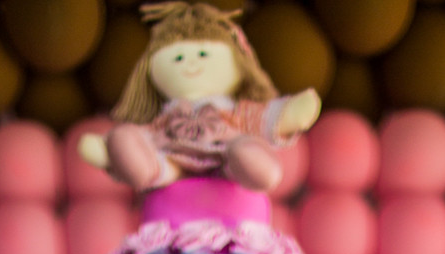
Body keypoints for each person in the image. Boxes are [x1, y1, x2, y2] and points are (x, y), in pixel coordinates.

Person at [78, 2, 321, 194]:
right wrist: (111, 151)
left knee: (246, 153)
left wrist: (289, 114)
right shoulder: (168, 115)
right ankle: (140, 165)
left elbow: (264, 118)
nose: (191, 63)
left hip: (226, 159)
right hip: (172, 161)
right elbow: (147, 134)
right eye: (178, 58)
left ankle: (252, 164)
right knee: (127, 140)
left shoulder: (235, 113)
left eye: (203, 54)